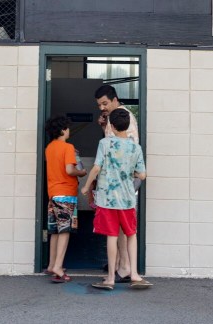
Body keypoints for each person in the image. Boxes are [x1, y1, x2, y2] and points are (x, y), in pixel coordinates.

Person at [81, 109, 151, 290]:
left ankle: (110, 278)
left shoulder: (105, 143)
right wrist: (130, 172)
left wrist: (86, 186)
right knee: (131, 235)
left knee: (111, 236)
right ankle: (135, 274)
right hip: (127, 199)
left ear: (111, 126)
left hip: (107, 199)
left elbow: (96, 168)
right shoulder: (135, 147)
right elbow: (142, 175)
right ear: (128, 126)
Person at [94, 84, 140, 282]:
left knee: (120, 225)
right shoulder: (116, 119)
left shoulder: (122, 118)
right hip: (120, 180)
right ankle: (121, 263)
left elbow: (120, 151)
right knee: (121, 224)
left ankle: (124, 267)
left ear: (114, 100)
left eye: (105, 103)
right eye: (99, 105)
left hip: (120, 181)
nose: (102, 108)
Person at [43, 115, 88, 283]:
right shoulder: (68, 147)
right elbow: (70, 170)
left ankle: (51, 264)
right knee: (65, 231)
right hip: (66, 194)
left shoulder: (49, 148)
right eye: (67, 128)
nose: (69, 130)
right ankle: (58, 267)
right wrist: (82, 173)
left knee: (54, 230)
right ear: (63, 130)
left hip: (53, 193)